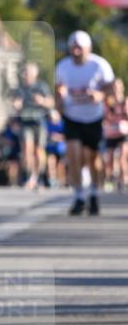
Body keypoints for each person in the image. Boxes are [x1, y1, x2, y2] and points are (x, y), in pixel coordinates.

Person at [55, 30, 114, 216]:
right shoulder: (63, 67)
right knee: (73, 154)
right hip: (72, 117)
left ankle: (95, 193)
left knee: (92, 158)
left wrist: (101, 96)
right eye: (74, 47)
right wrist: (60, 103)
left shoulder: (99, 65)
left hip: (94, 118)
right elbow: (58, 90)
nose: (77, 51)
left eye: (80, 47)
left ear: (88, 48)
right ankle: (79, 196)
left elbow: (112, 90)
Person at [9, 61, 53, 189]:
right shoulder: (19, 88)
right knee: (26, 149)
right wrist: (16, 105)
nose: (26, 75)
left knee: (39, 150)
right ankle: (29, 176)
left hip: (39, 121)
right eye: (25, 72)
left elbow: (51, 102)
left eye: (28, 72)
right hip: (25, 122)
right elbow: (15, 103)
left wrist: (42, 101)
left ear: (35, 74)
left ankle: (39, 176)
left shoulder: (41, 86)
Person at [102, 78, 128, 192]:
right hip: (111, 134)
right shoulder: (108, 103)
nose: (116, 89)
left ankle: (124, 179)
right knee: (110, 158)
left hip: (123, 133)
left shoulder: (125, 101)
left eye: (118, 86)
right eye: (114, 87)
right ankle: (111, 178)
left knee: (122, 157)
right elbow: (104, 118)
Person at [44, 108, 67, 189]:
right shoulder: (47, 124)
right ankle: (52, 180)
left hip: (61, 149)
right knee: (51, 162)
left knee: (61, 165)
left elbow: (67, 136)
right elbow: (45, 135)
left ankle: (61, 181)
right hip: (51, 148)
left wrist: (57, 137)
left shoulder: (62, 124)